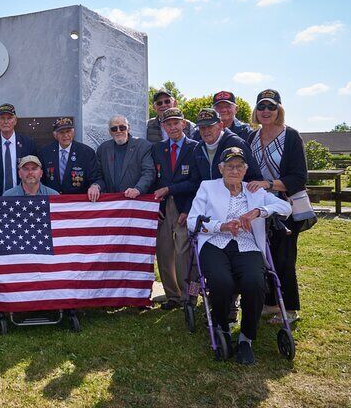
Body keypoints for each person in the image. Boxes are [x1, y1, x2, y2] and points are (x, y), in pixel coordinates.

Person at [188, 146, 292, 364]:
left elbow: (284, 207)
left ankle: (246, 338)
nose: (233, 170)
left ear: (245, 171)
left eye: (238, 167)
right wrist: (221, 226)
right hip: (215, 243)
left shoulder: (254, 190)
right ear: (220, 168)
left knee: (255, 282)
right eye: (229, 166)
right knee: (221, 281)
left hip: (247, 244)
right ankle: (222, 327)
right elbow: (192, 220)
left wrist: (258, 211)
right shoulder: (207, 187)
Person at [246, 89, 307, 324]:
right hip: (258, 205)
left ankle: (289, 309)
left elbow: (299, 177)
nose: (265, 111)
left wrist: (269, 183)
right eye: (261, 107)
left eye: (271, 107)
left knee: (284, 257)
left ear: (279, 109)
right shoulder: (252, 138)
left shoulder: (291, 136)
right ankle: (271, 303)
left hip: (284, 206)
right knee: (263, 254)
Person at [151, 108, 201, 310]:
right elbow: (155, 179)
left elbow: (197, 182)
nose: (172, 127)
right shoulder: (158, 149)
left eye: (176, 123)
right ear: (163, 126)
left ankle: (190, 296)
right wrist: (155, 206)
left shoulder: (196, 148)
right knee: (164, 251)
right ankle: (172, 296)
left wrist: (188, 210)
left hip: (185, 206)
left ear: (184, 124)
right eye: (168, 124)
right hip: (163, 207)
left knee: (184, 253)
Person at [87, 115, 155, 202]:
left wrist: (138, 189)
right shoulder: (103, 149)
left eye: (122, 127)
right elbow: (98, 175)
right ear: (110, 132)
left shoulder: (143, 146)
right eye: (114, 129)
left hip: (136, 201)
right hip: (112, 203)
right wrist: (95, 186)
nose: (118, 131)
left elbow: (149, 172)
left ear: (128, 128)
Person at [193, 108, 262, 182]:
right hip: (208, 193)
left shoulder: (237, 144)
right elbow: (196, 180)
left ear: (220, 126)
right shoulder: (198, 149)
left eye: (210, 126)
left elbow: (255, 177)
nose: (206, 131)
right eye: (202, 127)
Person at [0, 103, 36, 196]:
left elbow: (36, 170)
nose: (6, 121)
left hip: (24, 196)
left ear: (15, 121)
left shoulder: (28, 143)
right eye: (2, 118)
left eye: (9, 118)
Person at [37, 117, 99, 194]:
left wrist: (95, 186)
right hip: (52, 200)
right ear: (55, 135)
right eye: (61, 132)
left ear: (73, 132)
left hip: (76, 201)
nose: (66, 135)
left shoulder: (86, 152)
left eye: (68, 131)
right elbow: (40, 179)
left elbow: (96, 178)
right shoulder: (45, 152)